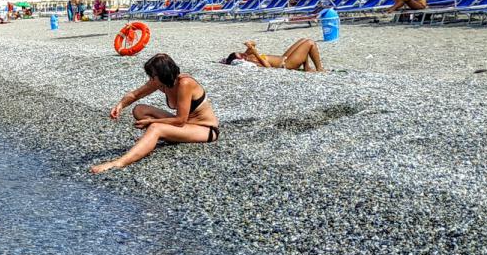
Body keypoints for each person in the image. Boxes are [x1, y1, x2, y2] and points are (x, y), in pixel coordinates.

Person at [90, 53, 219, 174]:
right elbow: (136, 94)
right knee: (139, 109)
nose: (151, 78)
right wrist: (120, 105)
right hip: (185, 125)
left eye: (153, 75)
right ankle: (158, 139)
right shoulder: (160, 83)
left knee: (155, 127)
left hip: (205, 129)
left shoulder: (185, 83)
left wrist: (151, 122)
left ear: (163, 74)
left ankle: (119, 162)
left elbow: (180, 120)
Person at [224, 39, 323, 72]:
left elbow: (253, 46)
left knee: (303, 40)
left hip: (284, 57)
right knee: (310, 43)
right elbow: (268, 67)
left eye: (241, 53)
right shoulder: (251, 62)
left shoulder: (247, 56)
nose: (243, 55)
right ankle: (319, 69)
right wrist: (256, 53)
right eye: (241, 56)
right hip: (286, 64)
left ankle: (307, 67)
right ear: (240, 60)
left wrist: (251, 43)